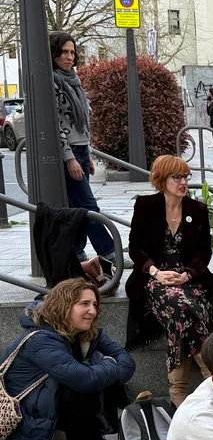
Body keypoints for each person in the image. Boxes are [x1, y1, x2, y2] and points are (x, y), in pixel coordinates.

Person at [0, 279, 135, 440]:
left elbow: (126, 361)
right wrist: (109, 365)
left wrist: (108, 367)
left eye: (94, 304)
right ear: (63, 305)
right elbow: (85, 379)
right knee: (85, 377)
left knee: (97, 370)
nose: (92, 311)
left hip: (43, 402)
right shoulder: (41, 339)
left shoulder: (84, 332)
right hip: (23, 412)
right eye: (84, 304)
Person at [126, 156, 213, 405]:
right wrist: (155, 272)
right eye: (176, 177)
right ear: (161, 180)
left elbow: (204, 252)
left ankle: (178, 392)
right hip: (155, 277)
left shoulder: (197, 210)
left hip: (189, 277)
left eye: (185, 177)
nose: (183, 182)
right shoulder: (146, 206)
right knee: (183, 307)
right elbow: (135, 248)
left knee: (184, 308)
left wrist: (187, 274)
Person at [50, 31, 116, 265]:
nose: (69, 57)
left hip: (81, 150)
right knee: (88, 205)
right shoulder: (53, 82)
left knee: (78, 207)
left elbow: (82, 123)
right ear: (54, 53)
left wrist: (87, 153)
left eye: (72, 52)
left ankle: (77, 251)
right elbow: (56, 124)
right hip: (68, 152)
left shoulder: (73, 80)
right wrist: (69, 158)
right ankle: (109, 252)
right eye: (64, 52)